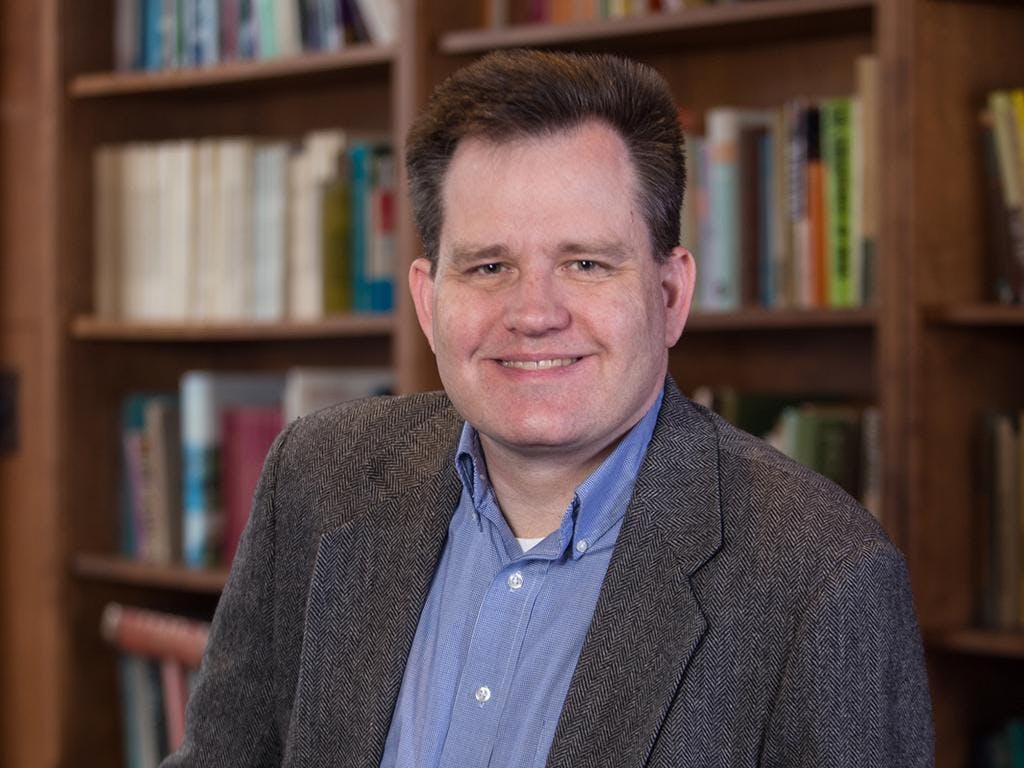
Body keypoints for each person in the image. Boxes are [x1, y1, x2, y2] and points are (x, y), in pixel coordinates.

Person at [164, 50, 934, 768]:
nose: (534, 313)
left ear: (669, 296)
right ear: (430, 304)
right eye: (490, 265)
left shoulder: (819, 580)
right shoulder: (317, 478)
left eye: (586, 263)